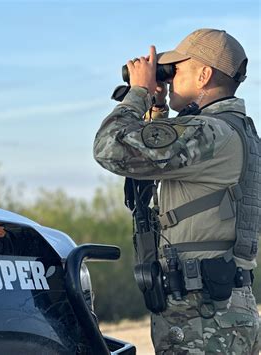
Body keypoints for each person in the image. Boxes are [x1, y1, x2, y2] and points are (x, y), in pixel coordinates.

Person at [93, 28, 260, 354]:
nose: (168, 80)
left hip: (203, 318)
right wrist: (157, 112)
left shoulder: (211, 132)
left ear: (204, 75)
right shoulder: (234, 131)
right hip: (219, 311)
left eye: (175, 70)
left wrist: (138, 92)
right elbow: (158, 162)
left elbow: (110, 147)